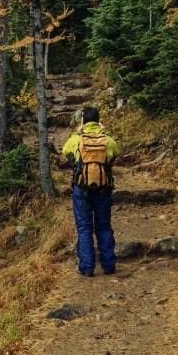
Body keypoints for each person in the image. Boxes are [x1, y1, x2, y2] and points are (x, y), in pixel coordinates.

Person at [62, 106, 118, 277]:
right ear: (99, 120)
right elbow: (114, 155)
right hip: (103, 188)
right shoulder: (108, 140)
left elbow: (66, 153)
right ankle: (108, 265)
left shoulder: (76, 139)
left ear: (82, 121)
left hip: (82, 188)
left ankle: (87, 266)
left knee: (84, 227)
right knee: (103, 226)